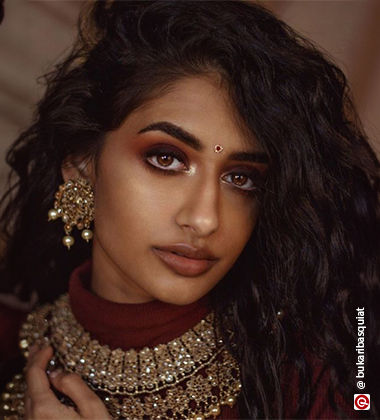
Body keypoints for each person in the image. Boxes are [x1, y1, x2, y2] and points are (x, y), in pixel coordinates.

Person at [0, 1, 378, 419]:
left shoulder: (315, 380)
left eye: (242, 178)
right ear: (81, 163)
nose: (205, 219)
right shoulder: (11, 342)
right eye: (166, 159)